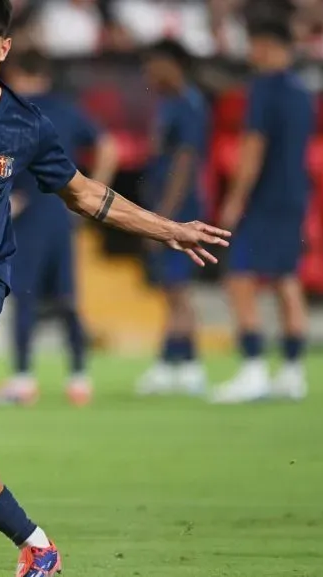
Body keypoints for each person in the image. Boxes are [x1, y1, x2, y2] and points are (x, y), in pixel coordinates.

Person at [0, 1, 229, 573]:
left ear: (4, 48)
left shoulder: (26, 125)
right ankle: (36, 544)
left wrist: (168, 228)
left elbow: (85, 194)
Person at [0, 49, 117, 406]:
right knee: (66, 298)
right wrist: (92, 194)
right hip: (63, 212)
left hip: (27, 213)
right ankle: (78, 378)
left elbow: (2, 162)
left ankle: (23, 379)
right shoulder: (66, 109)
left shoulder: (13, 111)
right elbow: (108, 146)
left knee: (25, 296)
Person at [212, 19, 314, 404]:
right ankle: (292, 372)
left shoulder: (263, 90)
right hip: (294, 195)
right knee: (288, 281)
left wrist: (235, 199)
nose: (251, 53)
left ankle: (253, 369)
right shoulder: (303, 93)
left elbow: (253, 148)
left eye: (254, 45)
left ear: (269, 46)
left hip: (265, 198)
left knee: (238, 278)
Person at [135, 40, 211, 397]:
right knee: (171, 289)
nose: (148, 73)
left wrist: (165, 214)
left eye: (153, 64)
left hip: (178, 211)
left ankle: (187, 365)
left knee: (179, 290)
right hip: (163, 207)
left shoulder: (189, 105)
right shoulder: (167, 104)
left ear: (172, 64)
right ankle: (174, 361)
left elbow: (185, 162)